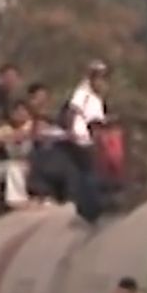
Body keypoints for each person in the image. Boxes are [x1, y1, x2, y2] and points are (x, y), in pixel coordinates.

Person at [63, 61, 111, 222]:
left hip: (94, 136)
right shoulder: (82, 93)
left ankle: (92, 204)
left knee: (93, 171)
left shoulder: (95, 96)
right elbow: (72, 111)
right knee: (88, 172)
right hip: (82, 137)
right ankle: (90, 208)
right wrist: (71, 133)